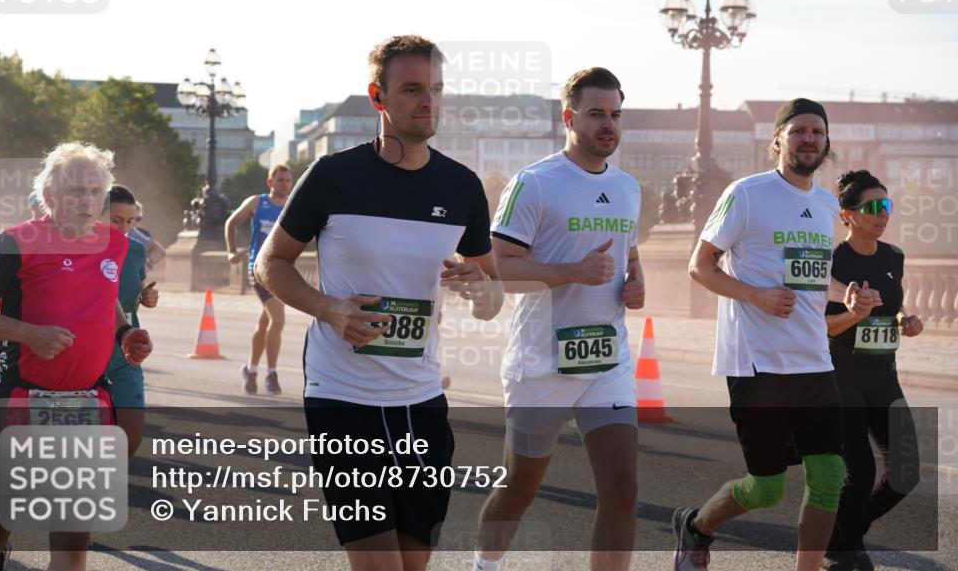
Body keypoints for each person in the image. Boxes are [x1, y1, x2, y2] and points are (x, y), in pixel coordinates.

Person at [254, 34, 503, 571]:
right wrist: (330, 308)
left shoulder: (462, 186)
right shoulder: (333, 176)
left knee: (415, 564)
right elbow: (269, 264)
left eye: (436, 88)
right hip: (342, 395)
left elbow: (493, 294)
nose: (428, 100)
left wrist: (482, 290)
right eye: (412, 88)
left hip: (421, 398)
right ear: (378, 97)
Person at [677, 99, 871, 571]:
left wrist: (847, 295)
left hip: (814, 361)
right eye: (800, 131)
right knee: (767, 488)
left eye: (818, 133)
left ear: (826, 144)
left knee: (828, 475)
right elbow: (699, 267)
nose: (809, 139)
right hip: (757, 363)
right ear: (778, 139)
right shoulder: (746, 194)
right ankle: (697, 528)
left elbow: (812, 273)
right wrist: (755, 295)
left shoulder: (826, 204)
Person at [473, 68, 644, 571]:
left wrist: (636, 286)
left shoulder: (628, 188)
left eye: (614, 115)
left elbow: (627, 258)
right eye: (596, 115)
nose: (608, 125)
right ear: (569, 118)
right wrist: (571, 272)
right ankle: (486, 565)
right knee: (519, 489)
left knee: (622, 492)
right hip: (540, 367)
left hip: (607, 363)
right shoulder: (535, 183)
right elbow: (498, 267)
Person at [0, 142, 153, 571]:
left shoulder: (114, 244)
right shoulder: (17, 241)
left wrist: (124, 331)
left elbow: (105, 298)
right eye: (73, 191)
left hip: (84, 402)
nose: (85, 201)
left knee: (72, 541)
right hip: (19, 399)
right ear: (49, 197)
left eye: (93, 191)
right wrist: (28, 333)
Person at [822, 170, 922, 571]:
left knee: (907, 471)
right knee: (859, 473)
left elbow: (889, 305)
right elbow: (820, 326)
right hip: (841, 375)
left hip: (884, 376)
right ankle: (842, 552)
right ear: (848, 215)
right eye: (873, 207)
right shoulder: (833, 261)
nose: (883, 214)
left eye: (887, 205)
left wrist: (903, 319)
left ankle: (843, 537)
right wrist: (852, 313)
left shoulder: (893, 256)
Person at [225, 163, 293, 395]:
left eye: (288, 180)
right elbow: (231, 222)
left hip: (282, 270)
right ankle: (271, 374)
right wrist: (232, 252)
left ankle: (251, 369)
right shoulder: (258, 202)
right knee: (279, 319)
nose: (284, 184)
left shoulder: (292, 207)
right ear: (270, 182)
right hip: (259, 268)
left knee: (265, 323)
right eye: (280, 180)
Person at [104, 184, 159, 456]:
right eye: (117, 220)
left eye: (130, 221)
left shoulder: (135, 250)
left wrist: (145, 296)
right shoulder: (81, 248)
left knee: (130, 438)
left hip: (126, 352)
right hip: (86, 351)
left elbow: (135, 288)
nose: (124, 228)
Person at [127, 201, 166, 267]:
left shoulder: (135, 233)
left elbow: (160, 251)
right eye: (131, 218)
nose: (134, 222)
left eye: (138, 219)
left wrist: (146, 264)